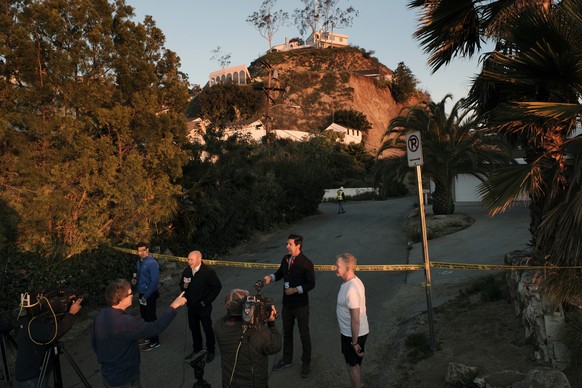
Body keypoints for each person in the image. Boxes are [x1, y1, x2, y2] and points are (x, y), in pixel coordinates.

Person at [92, 279, 187, 387]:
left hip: (108, 375)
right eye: (130, 293)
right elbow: (155, 328)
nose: (133, 295)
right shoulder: (125, 322)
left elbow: (95, 343)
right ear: (122, 299)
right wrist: (173, 307)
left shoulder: (100, 315)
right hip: (126, 378)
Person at [263, 233, 315, 378]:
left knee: (304, 334)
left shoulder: (306, 263)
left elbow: (311, 283)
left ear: (298, 245)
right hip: (287, 305)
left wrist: (296, 289)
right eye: (287, 244)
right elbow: (280, 273)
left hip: (301, 305)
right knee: (287, 333)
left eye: (289, 244)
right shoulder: (285, 259)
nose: (287, 246)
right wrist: (270, 278)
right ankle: (287, 359)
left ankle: (306, 363)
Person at [214, 289, 281, 388]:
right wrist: (271, 323)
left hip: (230, 382)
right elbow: (276, 345)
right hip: (254, 383)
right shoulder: (257, 332)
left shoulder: (219, 326)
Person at [15, 296, 83, 388]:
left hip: (30, 372)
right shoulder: (32, 325)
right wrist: (71, 314)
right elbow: (53, 333)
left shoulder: (27, 321)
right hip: (32, 377)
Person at [179, 250, 222, 363]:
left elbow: (217, 287)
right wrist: (184, 286)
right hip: (191, 306)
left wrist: (206, 301)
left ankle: (211, 350)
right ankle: (197, 349)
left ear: (199, 259)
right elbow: (182, 287)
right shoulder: (187, 271)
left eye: (191, 259)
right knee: (194, 328)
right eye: (188, 259)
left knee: (207, 328)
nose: (189, 262)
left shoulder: (208, 272)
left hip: (203, 306)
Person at [335, 253, 369, 388]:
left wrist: (354, 342)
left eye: (337, 266)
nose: (335, 268)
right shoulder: (348, 282)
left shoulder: (352, 289)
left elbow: (355, 319)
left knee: (352, 366)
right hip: (349, 333)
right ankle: (359, 384)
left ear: (347, 268)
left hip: (353, 335)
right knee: (353, 365)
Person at [135, 242, 160, 350]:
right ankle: (148, 337)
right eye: (139, 251)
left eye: (143, 250)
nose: (141, 253)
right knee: (145, 316)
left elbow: (154, 281)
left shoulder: (152, 263)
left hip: (150, 294)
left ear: (148, 250)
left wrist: (147, 295)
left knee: (151, 317)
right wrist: (134, 281)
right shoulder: (138, 262)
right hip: (141, 293)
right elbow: (138, 276)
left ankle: (155, 340)